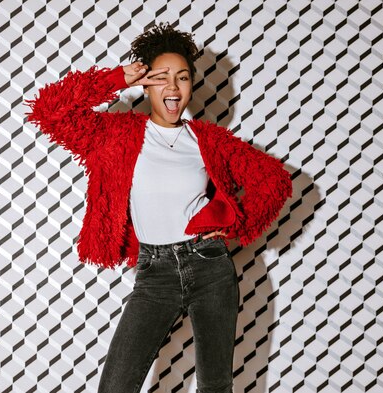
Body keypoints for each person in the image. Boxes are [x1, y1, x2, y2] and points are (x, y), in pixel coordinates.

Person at [24, 22, 292, 393]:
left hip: (211, 268)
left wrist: (235, 226)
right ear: (146, 83)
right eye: (162, 77)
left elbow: (274, 179)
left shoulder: (208, 141)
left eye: (182, 77)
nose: (172, 87)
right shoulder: (115, 134)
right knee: (116, 387)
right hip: (155, 275)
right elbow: (49, 111)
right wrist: (117, 78)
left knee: (216, 387)